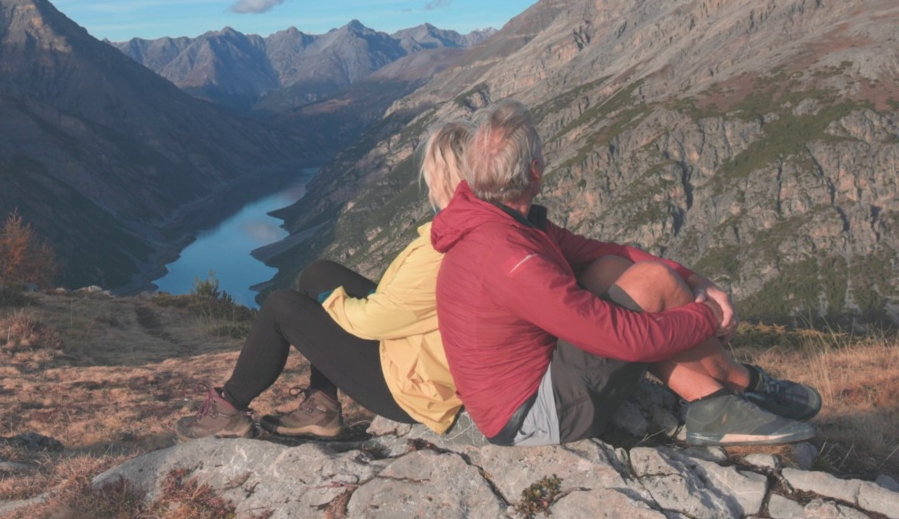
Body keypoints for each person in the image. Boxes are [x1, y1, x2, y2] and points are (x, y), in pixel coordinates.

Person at [434, 99, 821, 447]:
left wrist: (696, 282)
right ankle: (738, 385)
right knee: (650, 285)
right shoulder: (507, 255)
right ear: (535, 171)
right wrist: (705, 315)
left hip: (531, 389)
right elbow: (622, 339)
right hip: (535, 415)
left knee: (610, 269)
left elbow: (605, 253)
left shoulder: (499, 224)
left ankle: (717, 399)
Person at [176, 121, 474, 441]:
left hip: (413, 389)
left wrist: (332, 302)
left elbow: (374, 322)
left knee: (280, 307)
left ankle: (228, 410)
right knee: (319, 273)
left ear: (444, 177)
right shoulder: (475, 225)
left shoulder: (446, 246)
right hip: (419, 354)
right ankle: (322, 406)